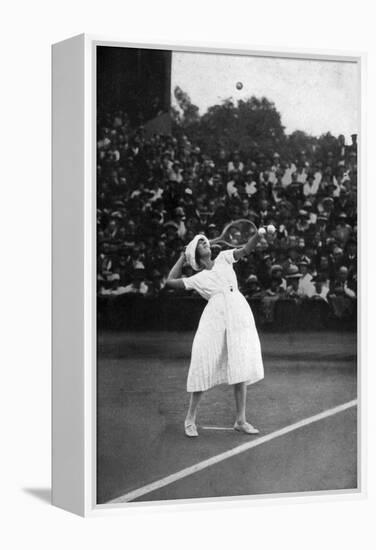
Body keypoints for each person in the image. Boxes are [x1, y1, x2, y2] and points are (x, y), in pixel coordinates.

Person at [166, 231, 265, 438]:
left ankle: (240, 420)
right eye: (200, 243)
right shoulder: (198, 277)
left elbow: (246, 248)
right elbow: (170, 281)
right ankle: (190, 419)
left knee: (241, 365)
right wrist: (182, 257)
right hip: (214, 318)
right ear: (195, 253)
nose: (206, 244)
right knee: (203, 362)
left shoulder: (224, 258)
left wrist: (259, 233)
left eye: (206, 241)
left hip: (239, 314)